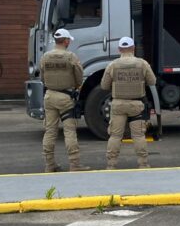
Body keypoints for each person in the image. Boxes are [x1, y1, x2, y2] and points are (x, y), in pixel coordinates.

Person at [39, 28, 90, 172]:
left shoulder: (45, 57)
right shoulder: (71, 57)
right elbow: (79, 76)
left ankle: (49, 165)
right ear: (66, 40)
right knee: (69, 131)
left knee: (50, 131)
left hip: (49, 96)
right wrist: (76, 86)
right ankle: (74, 164)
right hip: (66, 97)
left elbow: (42, 77)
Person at [101, 36, 156, 169]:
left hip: (118, 105)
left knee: (115, 136)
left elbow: (104, 86)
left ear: (120, 49)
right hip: (136, 105)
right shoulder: (142, 63)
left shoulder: (112, 65)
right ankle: (143, 163)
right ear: (133, 48)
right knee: (138, 135)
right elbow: (152, 81)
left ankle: (111, 164)